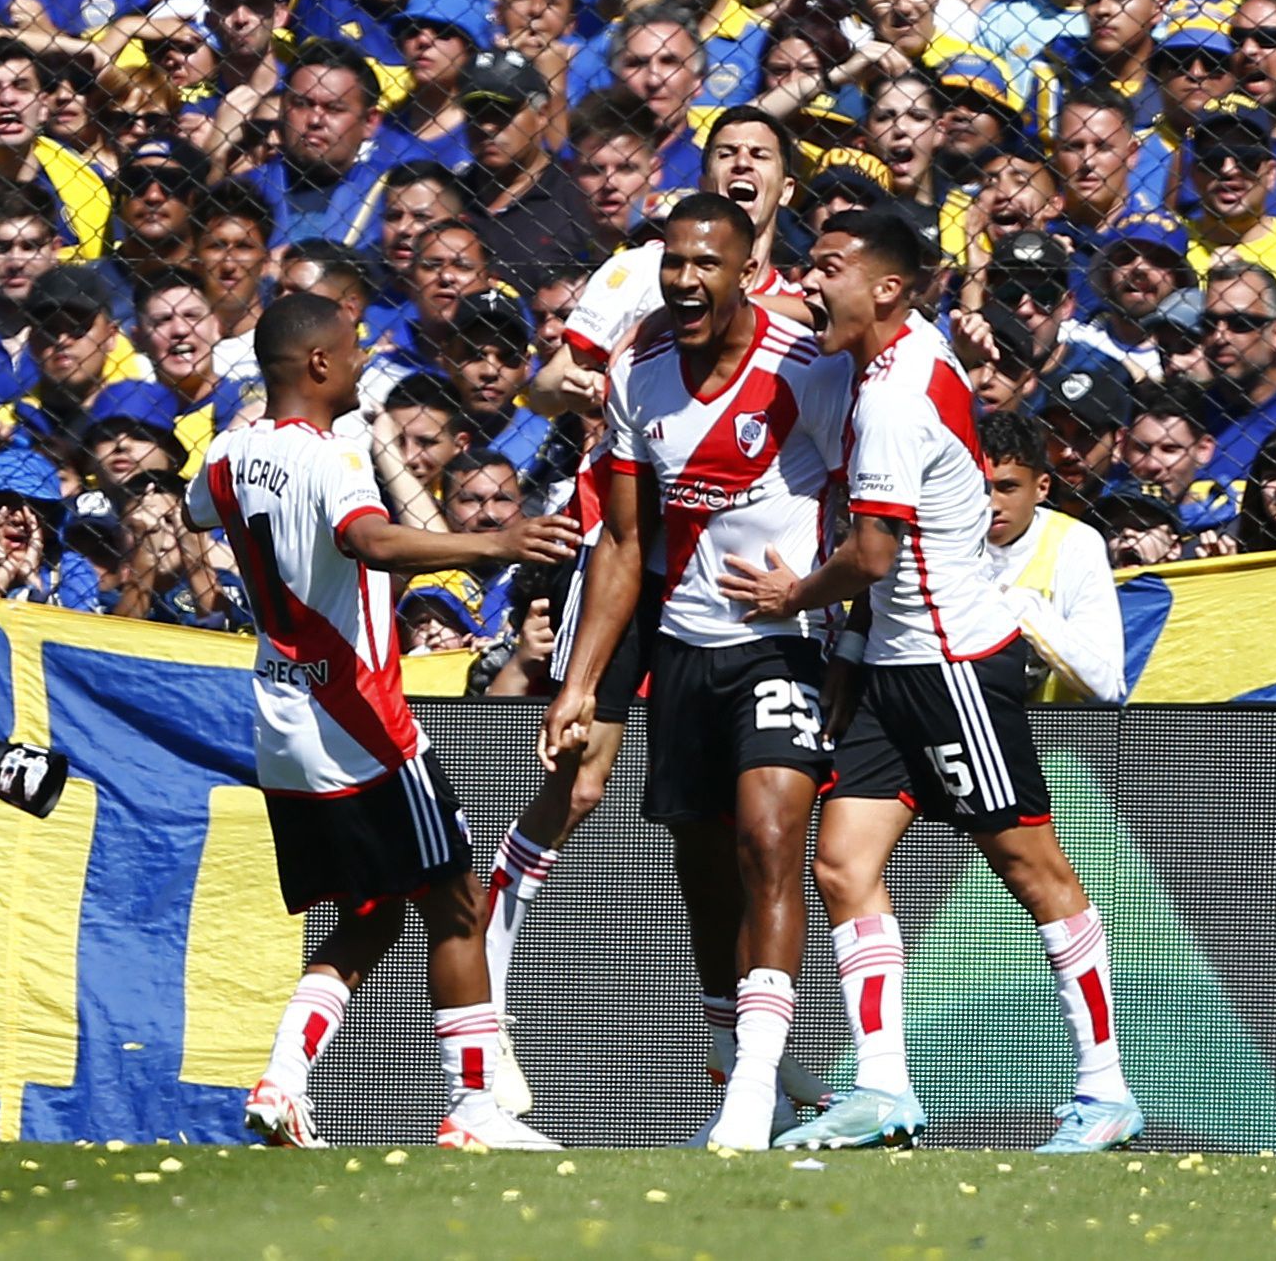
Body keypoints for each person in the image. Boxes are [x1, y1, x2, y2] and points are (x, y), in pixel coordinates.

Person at [719, 208, 1143, 1155]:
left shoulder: (898, 400)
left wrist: (792, 596)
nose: (810, 283)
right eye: (809, 267)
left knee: (1033, 871)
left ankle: (1106, 1089)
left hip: (952, 666)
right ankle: (881, 1089)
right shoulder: (896, 349)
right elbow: (794, 313)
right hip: (889, 667)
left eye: (827, 269)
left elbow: (869, 556)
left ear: (889, 290)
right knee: (841, 866)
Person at [189, 290, 579, 1152]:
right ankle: (476, 1109)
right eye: (353, 348)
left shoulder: (224, 452)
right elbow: (370, 541)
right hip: (357, 713)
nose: (363, 360)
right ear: (319, 365)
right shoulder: (335, 459)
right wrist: (495, 545)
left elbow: (197, 515)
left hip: (280, 715)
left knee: (374, 910)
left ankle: (283, 1080)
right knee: (455, 900)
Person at [541, 193, 850, 1150]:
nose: (685, 281)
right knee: (704, 868)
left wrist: (821, 600)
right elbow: (628, 547)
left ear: (743, 270)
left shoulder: (807, 368)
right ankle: (742, 1054)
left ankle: (754, 1086)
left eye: (705, 265)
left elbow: (873, 501)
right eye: (673, 262)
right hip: (684, 646)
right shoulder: (637, 368)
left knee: (769, 836)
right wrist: (581, 681)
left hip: (784, 639)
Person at [978, 412, 1129, 704]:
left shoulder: (1075, 543)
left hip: (1052, 739)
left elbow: (1107, 683)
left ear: (1042, 487)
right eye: (983, 489)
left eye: (1008, 488)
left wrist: (1023, 610)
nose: (993, 505)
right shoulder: (945, 541)